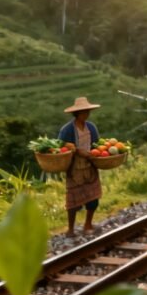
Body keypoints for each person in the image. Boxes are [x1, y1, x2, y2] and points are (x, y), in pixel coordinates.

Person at [58, 96, 103, 236]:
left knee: (93, 199)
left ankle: (87, 224)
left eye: (87, 112)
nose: (86, 114)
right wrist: (77, 150)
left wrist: (98, 153)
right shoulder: (67, 129)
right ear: (77, 113)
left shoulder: (91, 127)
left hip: (90, 165)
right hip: (75, 168)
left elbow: (96, 144)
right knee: (74, 201)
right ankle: (70, 229)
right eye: (84, 112)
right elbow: (60, 145)